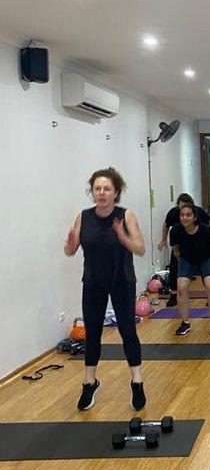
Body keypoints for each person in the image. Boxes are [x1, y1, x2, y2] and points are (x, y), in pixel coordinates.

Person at [64, 167, 147, 412]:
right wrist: (69, 243)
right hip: (93, 281)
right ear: (92, 191)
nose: (101, 193)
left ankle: (137, 382)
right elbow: (70, 250)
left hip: (121, 280)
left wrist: (122, 236)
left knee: (127, 330)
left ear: (116, 192)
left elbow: (140, 248)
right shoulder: (84, 217)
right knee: (93, 332)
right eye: (97, 188)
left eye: (107, 189)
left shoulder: (126, 216)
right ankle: (89, 383)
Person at [170, 203, 210, 336]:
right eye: (182, 215)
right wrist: (183, 265)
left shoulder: (206, 230)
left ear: (195, 217)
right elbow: (176, 249)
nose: (185, 218)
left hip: (207, 257)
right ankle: (185, 322)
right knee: (181, 288)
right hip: (187, 258)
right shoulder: (176, 231)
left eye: (188, 215)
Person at [157, 193, 210, 307]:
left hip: (199, 245)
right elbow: (166, 225)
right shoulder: (173, 213)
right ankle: (174, 295)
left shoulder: (198, 212)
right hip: (181, 246)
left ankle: (209, 295)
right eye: (181, 208)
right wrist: (163, 240)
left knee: (205, 273)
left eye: (187, 209)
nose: (184, 214)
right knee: (174, 268)